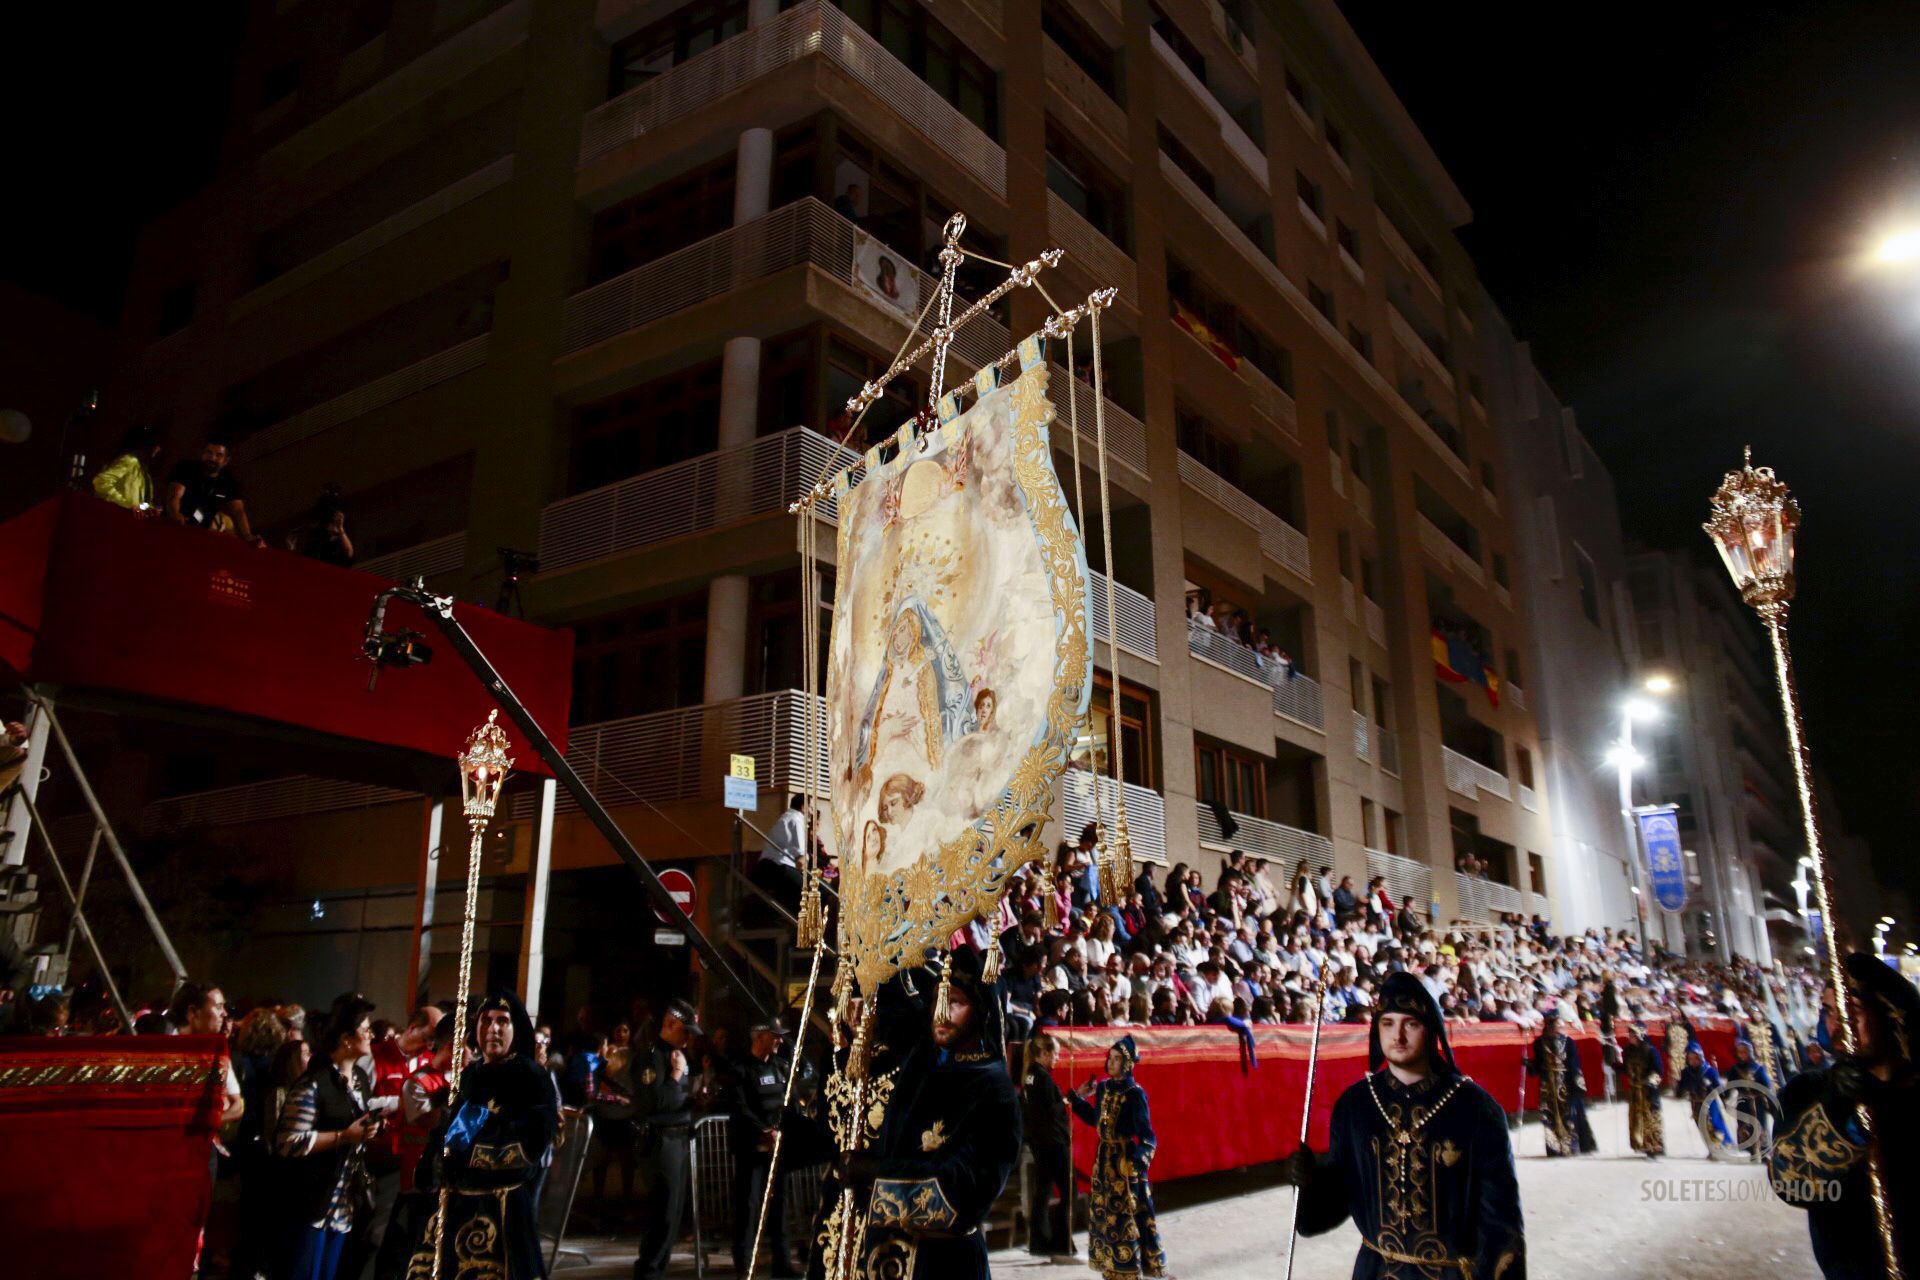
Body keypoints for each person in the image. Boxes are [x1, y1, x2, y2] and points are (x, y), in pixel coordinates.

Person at [1286, 971, 1525, 1279]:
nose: (1397, 1036)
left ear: (1432, 1030)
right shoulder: (1354, 1107)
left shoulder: (1476, 1109)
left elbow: (1501, 1226)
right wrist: (1309, 1183)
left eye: (1410, 1024)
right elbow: (1326, 1211)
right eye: (1388, 1023)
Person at [836, 946, 1021, 1280]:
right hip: (888, 1258)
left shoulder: (994, 1091)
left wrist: (876, 1175)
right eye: (938, 1001)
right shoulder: (919, 1071)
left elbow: (962, 1195)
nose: (941, 1014)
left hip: (946, 1263)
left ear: (979, 1011)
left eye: (955, 1003)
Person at [1769, 952, 1918, 1279]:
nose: (1839, 1024)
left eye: (1854, 1011)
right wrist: (1837, 1104)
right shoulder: (1806, 1092)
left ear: (1890, 1016)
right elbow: (1792, 1184)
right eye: (1830, 1011)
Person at [407, 990, 557, 1280]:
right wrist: (434, 1160)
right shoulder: (469, 1075)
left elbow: (533, 1144)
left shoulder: (532, 1077)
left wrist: (472, 1154)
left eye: (503, 1021)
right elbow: (447, 1128)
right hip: (455, 1203)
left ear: (517, 1029)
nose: (493, 1029)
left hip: (502, 1208)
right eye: (486, 1021)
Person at [274, 995, 384, 1280]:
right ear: (347, 1038)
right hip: (311, 1202)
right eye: (365, 1028)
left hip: (343, 1205)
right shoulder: (315, 1083)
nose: (371, 1035)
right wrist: (343, 1136)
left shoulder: (359, 1079)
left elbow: (358, 1121)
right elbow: (288, 1141)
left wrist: (369, 1129)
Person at [1068, 1035, 1164, 1280]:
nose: (1110, 1063)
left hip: (1123, 1163)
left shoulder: (1135, 1093)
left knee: (1124, 1216)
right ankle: (1109, 1265)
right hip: (1103, 1160)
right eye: (1109, 1058)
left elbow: (1147, 1135)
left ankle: (1127, 1268)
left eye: (1116, 1059)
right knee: (1103, 1214)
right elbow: (1095, 1119)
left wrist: (1138, 1161)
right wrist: (1077, 1101)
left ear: (1128, 1063)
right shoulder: (1103, 1087)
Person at [632, 999, 699, 1280]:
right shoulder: (651, 1058)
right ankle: (648, 1271)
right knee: (663, 1214)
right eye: (685, 1030)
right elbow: (654, 1102)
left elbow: (679, 1100)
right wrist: (675, 1075)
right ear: (670, 1025)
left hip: (679, 1140)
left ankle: (659, 1269)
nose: (688, 1037)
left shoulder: (678, 1056)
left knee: (674, 1212)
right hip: (661, 1143)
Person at [730, 1020, 799, 1278]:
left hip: (777, 1149)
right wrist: (764, 1131)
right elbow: (740, 1107)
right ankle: (745, 1266)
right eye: (775, 1036)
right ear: (759, 1037)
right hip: (752, 1149)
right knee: (748, 1207)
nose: (780, 1041)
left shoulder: (782, 1067)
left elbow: (790, 1103)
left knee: (780, 1206)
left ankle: (782, 1264)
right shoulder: (741, 1070)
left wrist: (785, 1130)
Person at [1020, 1032, 1076, 1261]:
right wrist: (1065, 1105)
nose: (1057, 1059)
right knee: (1069, 1191)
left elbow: (1046, 1106)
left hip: (1040, 1141)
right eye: (1055, 1054)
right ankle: (1061, 1243)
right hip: (1053, 1142)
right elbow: (1052, 1112)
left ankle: (1040, 1242)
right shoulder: (1042, 1078)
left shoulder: (1031, 1076)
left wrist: (1070, 1098)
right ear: (1044, 1053)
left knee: (1043, 1191)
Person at [1526, 1011, 1596, 1156]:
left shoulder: (1568, 1041)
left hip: (1564, 1082)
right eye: (1559, 1024)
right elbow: (1538, 1064)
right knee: (1549, 1114)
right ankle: (1553, 1147)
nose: (1562, 1026)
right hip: (1547, 1084)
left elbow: (1574, 1064)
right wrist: (1529, 1065)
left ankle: (1569, 1146)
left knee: (1568, 1114)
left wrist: (1577, 1084)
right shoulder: (1539, 1043)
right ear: (1551, 1026)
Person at [164, 437, 260, 543]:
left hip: (200, 534)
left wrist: (247, 535)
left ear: (225, 460)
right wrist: (175, 514)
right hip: (172, 527)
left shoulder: (229, 481)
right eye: (209, 453)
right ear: (202, 454)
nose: (212, 458)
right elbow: (175, 495)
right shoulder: (186, 468)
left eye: (219, 455)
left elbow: (238, 511)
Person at [1722, 1036, 1775, 1162]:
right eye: (1740, 1052)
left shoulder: (1758, 1068)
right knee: (1744, 1126)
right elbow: (1730, 1086)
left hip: (1758, 1102)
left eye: (1744, 1052)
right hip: (1743, 1102)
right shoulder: (1735, 1070)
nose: (1742, 1055)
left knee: (1761, 1126)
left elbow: (1767, 1085)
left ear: (1750, 1052)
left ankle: (1764, 1153)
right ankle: (1747, 1152)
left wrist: (1770, 1102)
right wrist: (1725, 1096)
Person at [91, 424, 163, 511]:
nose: (159, 449)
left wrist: (150, 509)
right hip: (115, 518)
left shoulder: (143, 470)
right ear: (148, 444)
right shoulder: (129, 461)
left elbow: (140, 503)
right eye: (157, 444)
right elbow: (101, 482)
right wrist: (126, 505)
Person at [1619, 1023, 1665, 1159]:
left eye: (1633, 1034)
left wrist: (1650, 1082)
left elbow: (1658, 1071)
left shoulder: (1651, 1051)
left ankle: (1654, 1146)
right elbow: (1626, 1068)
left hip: (1648, 1091)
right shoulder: (1628, 1051)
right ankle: (1641, 1144)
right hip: (1634, 1091)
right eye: (1630, 1034)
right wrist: (1616, 1065)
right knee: (1636, 1118)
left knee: (1650, 1117)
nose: (1630, 1037)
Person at [289, 487, 355, 567]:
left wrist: (340, 530)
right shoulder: (315, 541)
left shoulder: (340, 538)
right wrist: (292, 549)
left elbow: (349, 554)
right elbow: (304, 564)